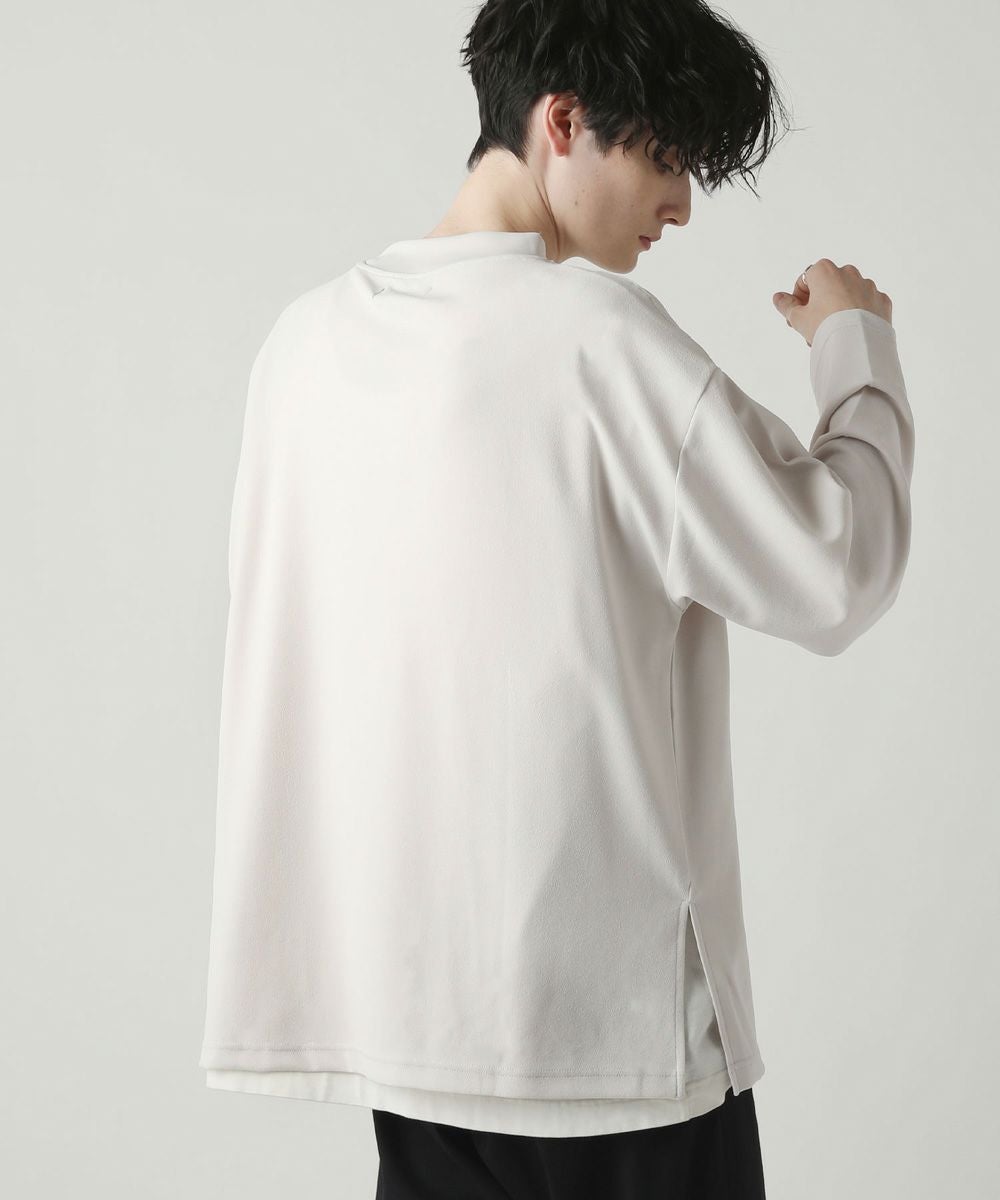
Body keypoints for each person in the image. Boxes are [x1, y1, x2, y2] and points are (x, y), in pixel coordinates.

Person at [198, 1, 915, 1196]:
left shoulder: (303, 346)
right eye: (667, 157)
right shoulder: (600, 342)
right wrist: (856, 349)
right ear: (564, 121)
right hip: (617, 1052)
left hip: (406, 1044)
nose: (679, 205)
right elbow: (836, 569)